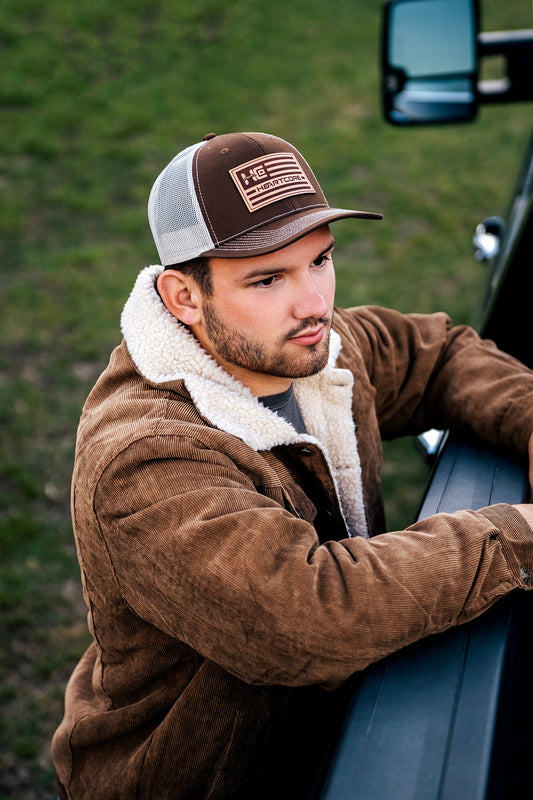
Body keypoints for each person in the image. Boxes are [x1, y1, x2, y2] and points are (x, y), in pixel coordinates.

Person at [53, 132, 533, 800]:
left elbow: (438, 353)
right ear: (184, 297)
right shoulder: (145, 459)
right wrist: (513, 535)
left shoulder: (308, 348)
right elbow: (309, 615)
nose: (313, 303)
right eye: (267, 278)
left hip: (334, 731)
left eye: (319, 260)